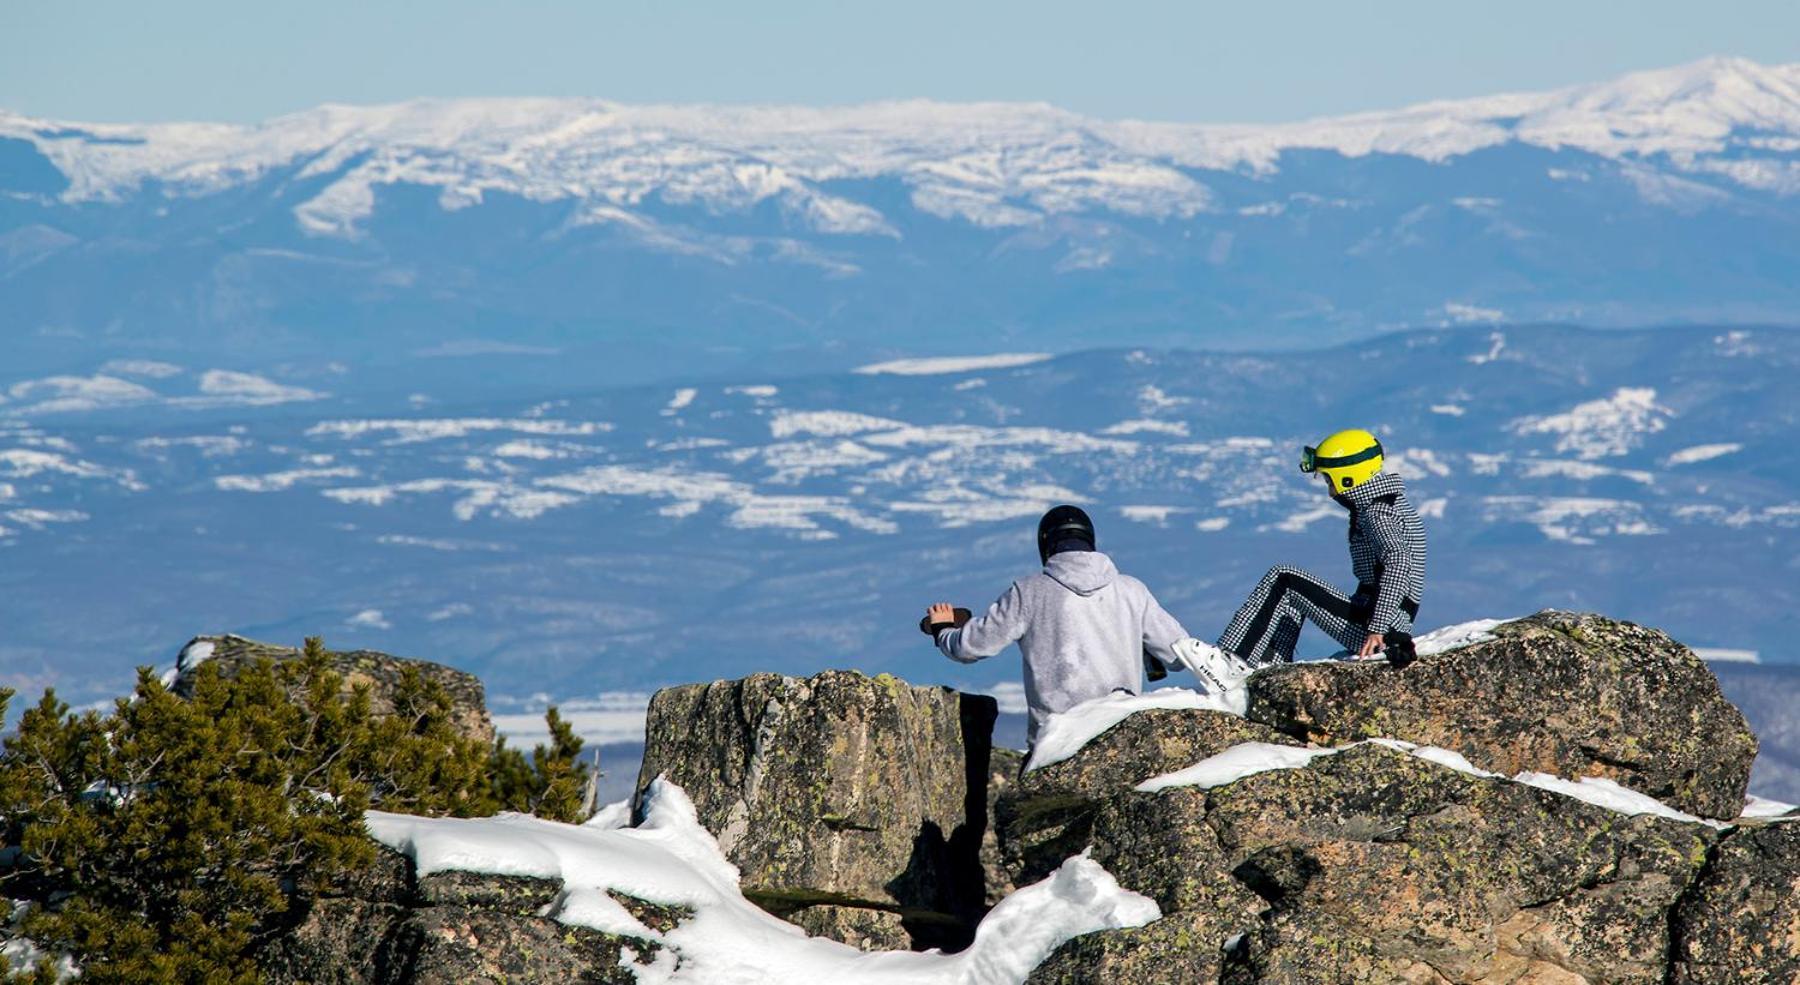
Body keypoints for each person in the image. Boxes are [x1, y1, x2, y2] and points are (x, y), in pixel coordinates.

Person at [925, 505, 1190, 745]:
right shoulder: (1132, 591)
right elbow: (1180, 655)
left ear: (1045, 545)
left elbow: (970, 647)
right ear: (1090, 541)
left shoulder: (1028, 592)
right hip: (1122, 736)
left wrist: (943, 630)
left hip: (1055, 742)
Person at [1188, 428, 1428, 680]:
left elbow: (1399, 562)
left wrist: (1379, 629)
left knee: (1285, 578)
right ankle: (1268, 670)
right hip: (1381, 620)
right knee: (1291, 595)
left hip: (1379, 629)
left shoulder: (1378, 513)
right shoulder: (1386, 504)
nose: (1329, 491)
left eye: (1328, 480)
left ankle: (1231, 662)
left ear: (1348, 478)